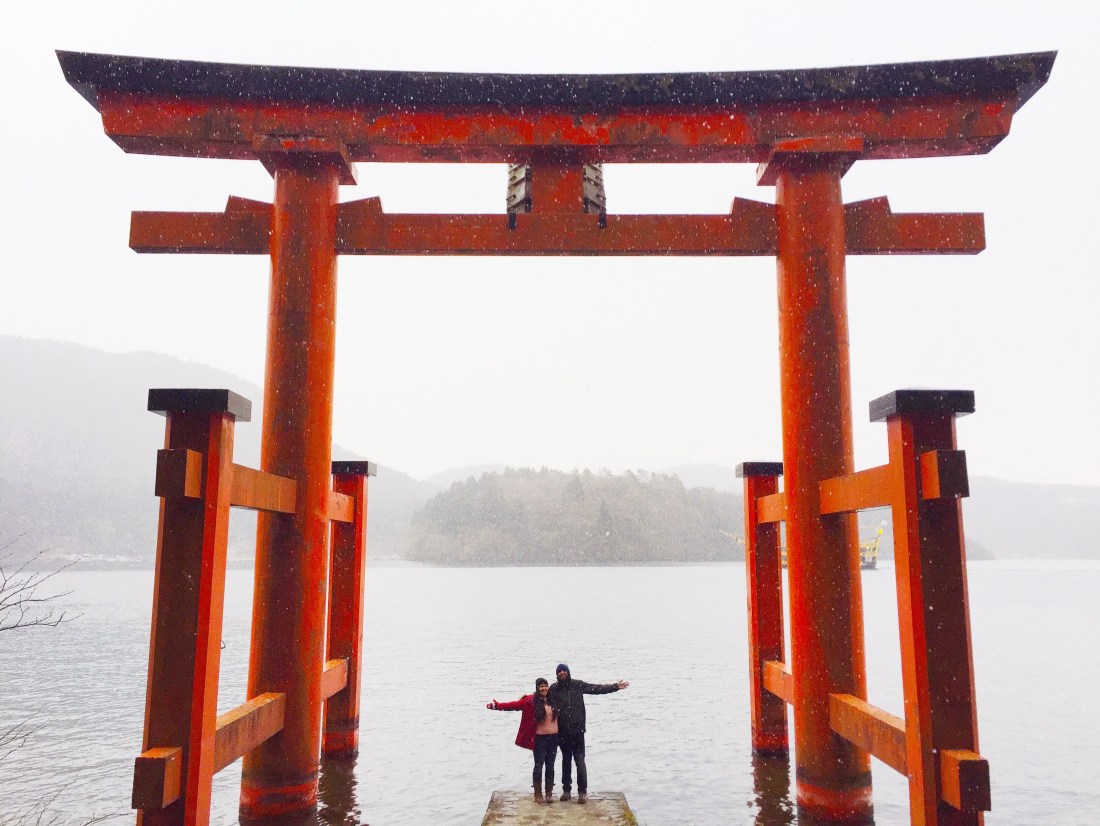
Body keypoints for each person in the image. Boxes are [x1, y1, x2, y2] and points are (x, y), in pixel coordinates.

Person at [546, 663, 629, 804]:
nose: (562, 673)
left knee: (580, 761)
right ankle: (567, 791)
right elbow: (542, 698)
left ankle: (582, 792)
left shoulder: (577, 685)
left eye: (564, 670)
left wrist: (615, 686)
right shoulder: (554, 688)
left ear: (568, 672)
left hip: (578, 731)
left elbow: (596, 688)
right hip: (563, 732)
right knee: (566, 761)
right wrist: (525, 699)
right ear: (557, 674)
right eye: (559, 671)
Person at [486, 677, 560, 805]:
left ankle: (549, 793)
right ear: (537, 688)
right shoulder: (530, 701)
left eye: (545, 686)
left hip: (553, 738)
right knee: (538, 765)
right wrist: (497, 706)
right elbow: (513, 705)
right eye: (541, 686)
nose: (543, 688)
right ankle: (538, 795)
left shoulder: (554, 700)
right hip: (539, 739)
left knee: (550, 766)